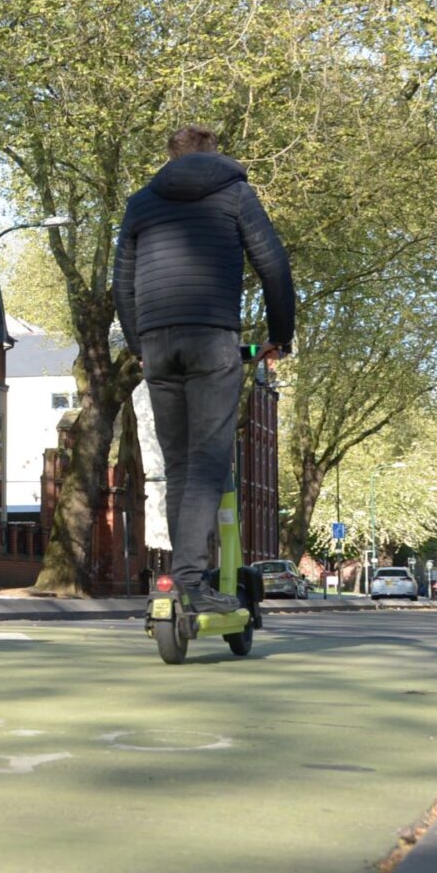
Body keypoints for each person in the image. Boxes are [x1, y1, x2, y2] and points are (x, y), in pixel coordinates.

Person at [112, 125, 295, 613]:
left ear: (170, 158)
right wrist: (280, 335)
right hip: (213, 339)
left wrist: (140, 345)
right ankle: (192, 582)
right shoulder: (235, 193)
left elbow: (121, 283)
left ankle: (183, 577)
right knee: (208, 463)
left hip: (157, 343)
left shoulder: (140, 203)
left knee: (178, 468)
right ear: (214, 155)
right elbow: (274, 266)